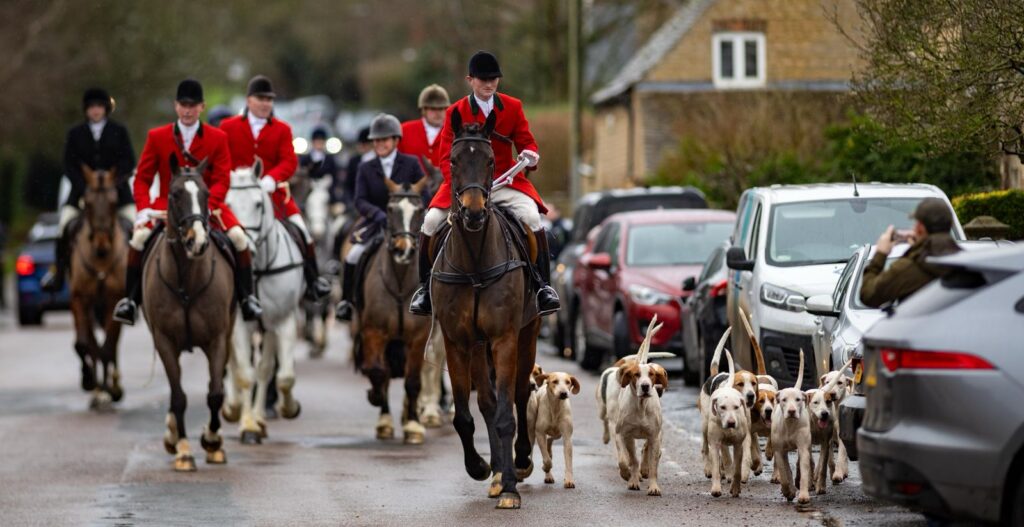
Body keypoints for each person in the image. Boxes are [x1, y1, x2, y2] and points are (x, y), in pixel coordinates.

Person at [408, 50, 560, 317]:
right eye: (483, 79)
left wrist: (530, 155)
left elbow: (526, 142)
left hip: (505, 183)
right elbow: (445, 157)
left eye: (494, 79)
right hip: (466, 188)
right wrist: (460, 186)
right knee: (431, 221)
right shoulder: (456, 111)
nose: (489, 84)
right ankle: (424, 290)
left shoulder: (513, 107)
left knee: (533, 218)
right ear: (470, 80)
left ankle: (542, 286)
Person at [112, 79, 262, 325]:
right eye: (183, 105)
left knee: (239, 238)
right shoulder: (157, 136)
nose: (188, 110)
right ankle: (130, 301)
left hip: (209, 205)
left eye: (193, 105)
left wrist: (206, 206)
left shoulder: (218, 137)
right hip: (165, 207)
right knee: (138, 239)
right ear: (176, 106)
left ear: (202, 107)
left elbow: (223, 179)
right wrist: (143, 210)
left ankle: (247, 299)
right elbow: (142, 179)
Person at [219, 75, 331, 301]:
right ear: (249, 100)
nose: (265, 103)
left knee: (304, 233)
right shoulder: (228, 127)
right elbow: (222, 158)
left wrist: (271, 178)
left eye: (269, 99)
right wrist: (233, 179)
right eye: (260, 98)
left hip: (275, 197)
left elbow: (289, 161)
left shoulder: (282, 129)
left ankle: (313, 282)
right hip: (237, 198)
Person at [335, 113, 430, 321]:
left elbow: (424, 193)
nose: (379, 144)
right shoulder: (365, 167)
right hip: (376, 220)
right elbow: (360, 200)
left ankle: (428, 297)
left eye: (384, 139)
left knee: (429, 253)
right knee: (353, 255)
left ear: (396, 141)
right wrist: (378, 214)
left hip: (406, 223)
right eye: (376, 140)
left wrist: (415, 211)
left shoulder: (411, 163)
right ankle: (347, 302)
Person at [42, 88, 136, 292]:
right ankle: (58, 274)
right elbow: (69, 164)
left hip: (117, 197)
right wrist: (85, 188)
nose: (95, 111)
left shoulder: (119, 131)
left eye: (99, 107)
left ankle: (137, 281)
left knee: (137, 231)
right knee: (63, 227)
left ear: (105, 109)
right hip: (81, 195)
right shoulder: (75, 134)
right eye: (92, 107)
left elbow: (128, 162)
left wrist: (114, 185)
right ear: (86, 109)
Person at [859, 197, 962, 307]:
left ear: (920, 228)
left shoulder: (906, 269)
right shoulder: (968, 262)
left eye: (915, 224)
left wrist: (880, 253)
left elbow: (868, 295)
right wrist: (919, 247)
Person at [398, 84, 450, 176]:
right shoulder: (403, 130)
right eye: (433, 109)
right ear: (424, 110)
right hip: (411, 187)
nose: (437, 113)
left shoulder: (454, 133)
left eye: (441, 108)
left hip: (444, 187)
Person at [300, 126, 343, 204]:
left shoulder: (330, 159)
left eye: (321, 141)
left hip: (326, 188)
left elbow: (335, 176)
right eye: (317, 141)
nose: (319, 143)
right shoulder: (305, 158)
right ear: (313, 142)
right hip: (308, 189)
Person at [343, 126, 373, 208]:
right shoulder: (354, 161)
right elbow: (348, 186)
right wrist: (349, 203)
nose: (361, 146)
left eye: (364, 144)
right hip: (356, 203)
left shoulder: (378, 161)